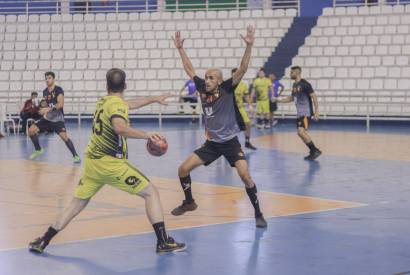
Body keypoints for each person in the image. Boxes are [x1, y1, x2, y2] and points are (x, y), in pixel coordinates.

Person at [29, 68, 186, 254]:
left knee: (74, 205)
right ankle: (162, 242)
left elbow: (127, 105)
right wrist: (147, 135)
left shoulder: (104, 101)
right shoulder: (116, 105)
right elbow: (120, 127)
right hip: (110, 165)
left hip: (92, 164)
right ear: (125, 86)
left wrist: (153, 98)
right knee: (151, 192)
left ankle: (43, 240)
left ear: (106, 85)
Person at [170, 27, 267, 228]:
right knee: (182, 170)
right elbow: (189, 69)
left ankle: (258, 213)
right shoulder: (201, 88)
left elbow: (242, 69)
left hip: (230, 143)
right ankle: (189, 202)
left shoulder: (226, 88)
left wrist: (249, 46)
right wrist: (180, 49)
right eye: (206, 77)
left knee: (245, 176)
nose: (206, 80)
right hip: (212, 144)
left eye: (211, 77)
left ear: (220, 81)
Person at [28, 72, 81, 163]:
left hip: (57, 118)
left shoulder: (58, 90)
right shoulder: (45, 91)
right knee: (31, 130)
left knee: (64, 138)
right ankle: (38, 150)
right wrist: (40, 108)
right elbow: (46, 104)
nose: (47, 80)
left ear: (53, 79)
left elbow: (60, 104)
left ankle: (75, 155)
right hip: (47, 118)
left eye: (49, 78)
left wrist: (48, 109)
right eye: (46, 78)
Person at [273, 66, 322, 161]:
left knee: (301, 131)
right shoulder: (295, 85)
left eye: (291, 73)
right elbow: (291, 98)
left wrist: (316, 111)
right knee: (300, 133)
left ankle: (315, 150)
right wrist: (279, 100)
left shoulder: (305, 84)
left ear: (297, 72)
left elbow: (314, 96)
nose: (290, 74)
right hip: (300, 113)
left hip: (306, 113)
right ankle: (313, 151)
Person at [232, 68, 256, 150]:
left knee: (248, 124)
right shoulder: (228, 84)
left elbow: (246, 96)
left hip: (240, 107)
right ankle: (228, 145)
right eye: (235, 74)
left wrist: (250, 105)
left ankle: (247, 142)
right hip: (229, 109)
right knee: (230, 128)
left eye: (238, 74)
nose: (237, 76)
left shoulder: (243, 85)